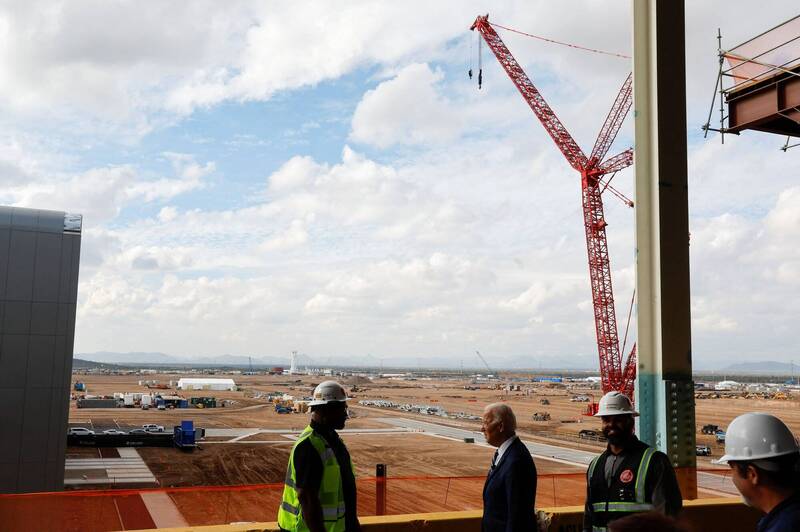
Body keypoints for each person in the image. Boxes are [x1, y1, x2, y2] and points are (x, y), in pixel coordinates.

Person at [583, 391, 682, 532]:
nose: (611, 424)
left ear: (631, 421)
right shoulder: (595, 466)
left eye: (618, 419)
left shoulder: (654, 461)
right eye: (606, 419)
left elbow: (668, 517)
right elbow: (589, 517)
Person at [278, 380, 361, 532]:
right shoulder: (308, 446)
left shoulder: (334, 441)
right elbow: (307, 499)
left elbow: (345, 487)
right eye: (342, 409)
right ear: (325, 410)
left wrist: (352, 525)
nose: (345, 415)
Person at [716, 412, 800, 532]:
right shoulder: (789, 515)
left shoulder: (784, 526)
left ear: (752, 474)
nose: (732, 477)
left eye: (732, 469)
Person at [480, 402, 538, 532]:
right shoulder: (506, 454)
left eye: (486, 423)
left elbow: (517, 517)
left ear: (500, 426)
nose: (482, 428)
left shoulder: (516, 461)